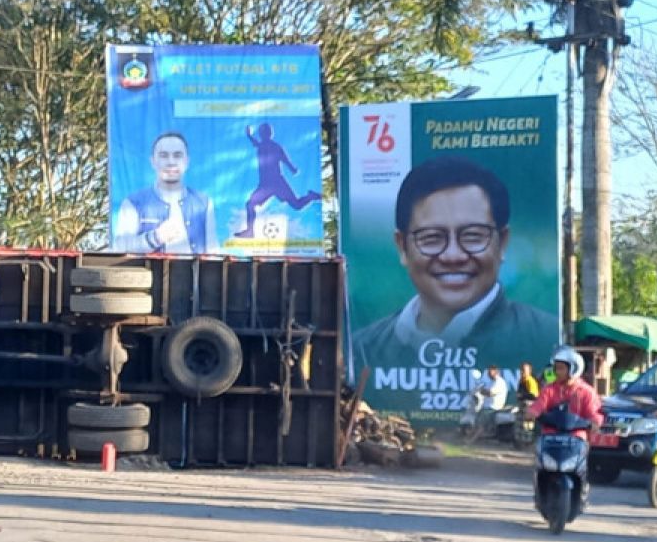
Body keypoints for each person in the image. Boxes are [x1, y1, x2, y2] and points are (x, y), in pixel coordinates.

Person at [352, 156, 558, 368]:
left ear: (502, 243)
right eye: (432, 238)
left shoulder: (546, 340)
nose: (452, 256)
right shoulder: (360, 351)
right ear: (402, 246)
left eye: (472, 236)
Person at [114, 132, 218, 253]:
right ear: (153, 161)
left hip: (194, 272)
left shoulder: (204, 203)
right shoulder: (133, 203)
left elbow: (213, 252)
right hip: (149, 272)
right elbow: (119, 247)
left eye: (177, 155)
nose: (171, 162)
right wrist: (155, 238)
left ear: (187, 161)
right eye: (163, 156)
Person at [234, 123, 321, 238]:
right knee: (250, 204)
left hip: (275, 183)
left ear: (267, 134)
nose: (262, 135)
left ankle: (311, 197)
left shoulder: (274, 147)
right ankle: (250, 231)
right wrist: (249, 136)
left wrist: (292, 169)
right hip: (267, 184)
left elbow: (285, 160)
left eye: (263, 132)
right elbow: (256, 144)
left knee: (296, 205)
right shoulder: (262, 145)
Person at [527, 346, 603, 441]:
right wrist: (532, 412)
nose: (556, 372)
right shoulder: (549, 389)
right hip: (550, 440)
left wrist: (595, 422)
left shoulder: (587, 392)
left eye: (560, 368)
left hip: (576, 440)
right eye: (555, 368)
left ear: (574, 369)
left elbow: (594, 413)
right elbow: (539, 404)